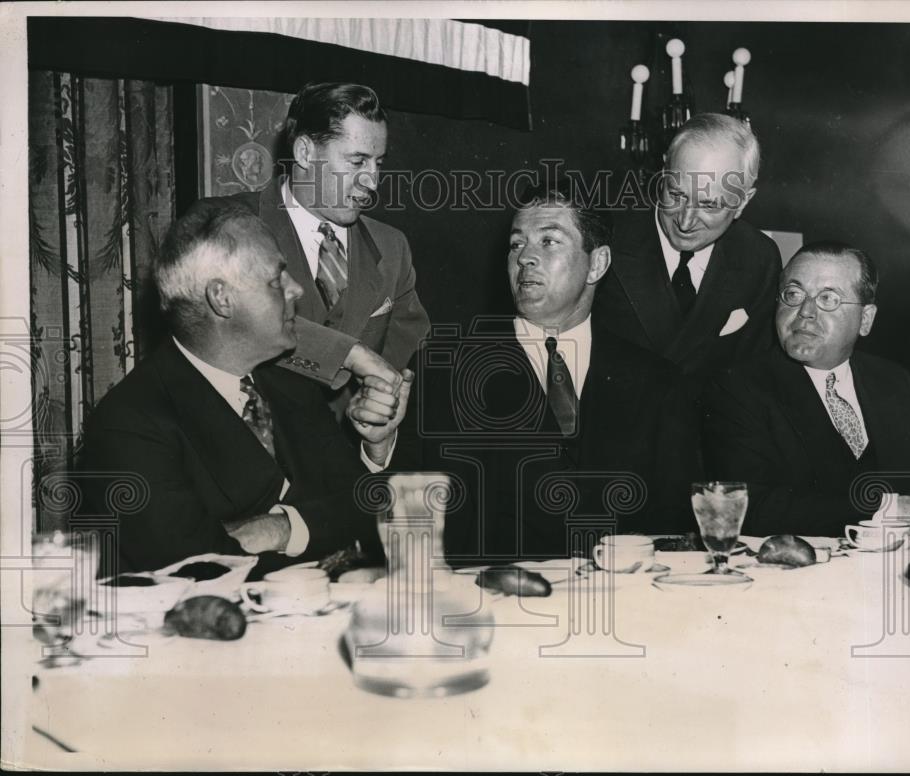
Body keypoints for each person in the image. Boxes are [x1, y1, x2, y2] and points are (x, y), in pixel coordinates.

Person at [80, 201, 409, 576]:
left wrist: (284, 527)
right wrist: (321, 523)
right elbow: (198, 570)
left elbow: (368, 513)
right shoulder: (129, 423)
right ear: (222, 298)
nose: (297, 289)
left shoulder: (290, 383)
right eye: (276, 280)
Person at [407, 181, 701, 564]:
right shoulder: (445, 370)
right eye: (516, 244)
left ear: (597, 263)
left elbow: (676, 530)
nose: (525, 257)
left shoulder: (659, 383)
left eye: (549, 242)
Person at [702, 242, 910, 537]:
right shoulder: (737, 388)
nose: (805, 312)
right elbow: (749, 506)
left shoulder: (893, 381)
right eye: (793, 294)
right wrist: (895, 510)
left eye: (828, 298)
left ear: (865, 320)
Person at [209, 82, 430, 400]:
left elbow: (400, 363)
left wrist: (377, 411)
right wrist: (348, 353)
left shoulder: (392, 247)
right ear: (304, 152)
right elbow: (237, 321)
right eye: (357, 162)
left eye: (378, 163)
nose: (372, 181)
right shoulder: (222, 224)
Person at [593, 113, 781, 394]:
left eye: (709, 205)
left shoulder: (759, 259)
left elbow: (753, 378)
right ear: (664, 169)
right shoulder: (604, 237)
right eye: (676, 195)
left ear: (743, 202)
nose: (685, 221)